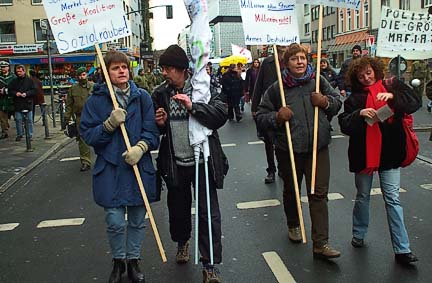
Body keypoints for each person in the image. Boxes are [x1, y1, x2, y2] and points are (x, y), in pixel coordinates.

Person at [79, 51, 160, 283]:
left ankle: (133, 260)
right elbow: (88, 135)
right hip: (110, 169)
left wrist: (141, 147)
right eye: (115, 68)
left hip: (138, 167)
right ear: (106, 73)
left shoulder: (142, 96)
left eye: (124, 67)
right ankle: (118, 261)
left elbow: (152, 131)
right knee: (114, 221)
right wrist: (108, 125)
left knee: (136, 219)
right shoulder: (95, 101)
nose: (122, 71)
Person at [256, 43, 342, 259]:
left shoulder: (318, 81)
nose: (300, 62)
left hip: (317, 147)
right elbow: (260, 115)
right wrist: (277, 116)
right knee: (292, 190)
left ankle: (321, 243)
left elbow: (336, 102)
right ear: (286, 63)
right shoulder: (277, 89)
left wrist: (324, 101)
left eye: (303, 58)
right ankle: (294, 223)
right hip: (289, 149)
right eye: (294, 59)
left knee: (319, 194)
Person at [152, 44, 228, 283]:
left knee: (208, 214)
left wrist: (193, 107)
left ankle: (210, 265)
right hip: (175, 163)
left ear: (182, 70)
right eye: (163, 68)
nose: (164, 73)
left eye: (168, 69)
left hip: (204, 162)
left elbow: (219, 115)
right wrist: (160, 123)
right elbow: (154, 130)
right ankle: (182, 241)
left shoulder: (203, 88)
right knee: (178, 211)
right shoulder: (160, 93)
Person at [338, 56, 420, 265]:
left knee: (392, 199)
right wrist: (359, 114)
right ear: (355, 78)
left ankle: (402, 249)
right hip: (364, 155)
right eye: (361, 75)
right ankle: (359, 233)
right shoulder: (353, 99)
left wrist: (392, 97)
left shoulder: (393, 85)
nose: (366, 78)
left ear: (375, 70)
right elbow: (345, 125)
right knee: (363, 195)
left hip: (390, 154)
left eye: (369, 72)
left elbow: (414, 103)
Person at [252, 45, 287, 184]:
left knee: (283, 140)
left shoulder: (290, 62)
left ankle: (282, 167)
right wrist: (255, 107)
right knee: (269, 140)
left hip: (285, 107)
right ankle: (271, 170)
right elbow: (259, 84)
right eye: (280, 50)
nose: (282, 53)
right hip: (269, 106)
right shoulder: (267, 63)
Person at [64, 67, 93, 172]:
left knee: (100, 137)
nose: (82, 77)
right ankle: (85, 161)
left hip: (94, 116)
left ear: (87, 75)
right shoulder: (73, 89)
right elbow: (69, 105)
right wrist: (66, 118)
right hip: (80, 117)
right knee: (82, 140)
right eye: (80, 75)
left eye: (84, 74)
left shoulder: (93, 87)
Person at [8, 65, 36, 141]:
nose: (19, 73)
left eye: (20, 71)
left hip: (28, 103)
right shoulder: (14, 81)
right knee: (18, 119)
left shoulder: (30, 80)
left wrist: (26, 94)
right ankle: (19, 134)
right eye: (17, 72)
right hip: (18, 103)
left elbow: (34, 90)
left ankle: (29, 135)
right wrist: (16, 93)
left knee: (29, 120)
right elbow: (10, 90)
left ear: (24, 71)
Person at [0, 61, 16, 139]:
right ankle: (4, 132)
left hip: (12, 101)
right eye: (1, 67)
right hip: (2, 101)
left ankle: (21, 130)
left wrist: (6, 90)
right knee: (2, 117)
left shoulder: (13, 77)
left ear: (8, 67)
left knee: (17, 117)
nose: (3, 68)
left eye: (4, 67)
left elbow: (16, 88)